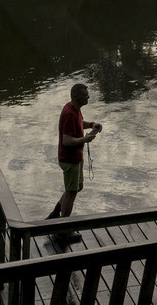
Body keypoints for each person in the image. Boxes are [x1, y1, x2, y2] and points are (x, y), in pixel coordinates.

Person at [54, 82, 103, 225]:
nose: (88, 97)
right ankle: (62, 228)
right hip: (69, 160)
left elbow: (80, 123)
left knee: (77, 187)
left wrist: (92, 124)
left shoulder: (75, 108)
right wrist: (85, 139)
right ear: (76, 97)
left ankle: (55, 214)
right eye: (85, 95)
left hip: (76, 157)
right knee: (71, 191)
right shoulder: (69, 113)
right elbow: (67, 141)